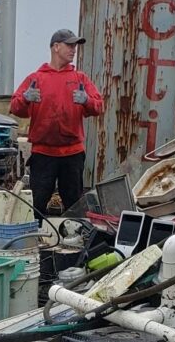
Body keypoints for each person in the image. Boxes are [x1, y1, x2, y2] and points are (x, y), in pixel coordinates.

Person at [9, 28, 104, 221]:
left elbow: (99, 106)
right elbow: (15, 107)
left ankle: (75, 242)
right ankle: (35, 241)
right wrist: (26, 99)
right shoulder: (36, 79)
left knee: (74, 206)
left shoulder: (80, 79)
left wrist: (87, 100)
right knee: (37, 205)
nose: (74, 49)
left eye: (75, 45)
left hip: (72, 155)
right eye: (69, 45)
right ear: (56, 47)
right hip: (43, 155)